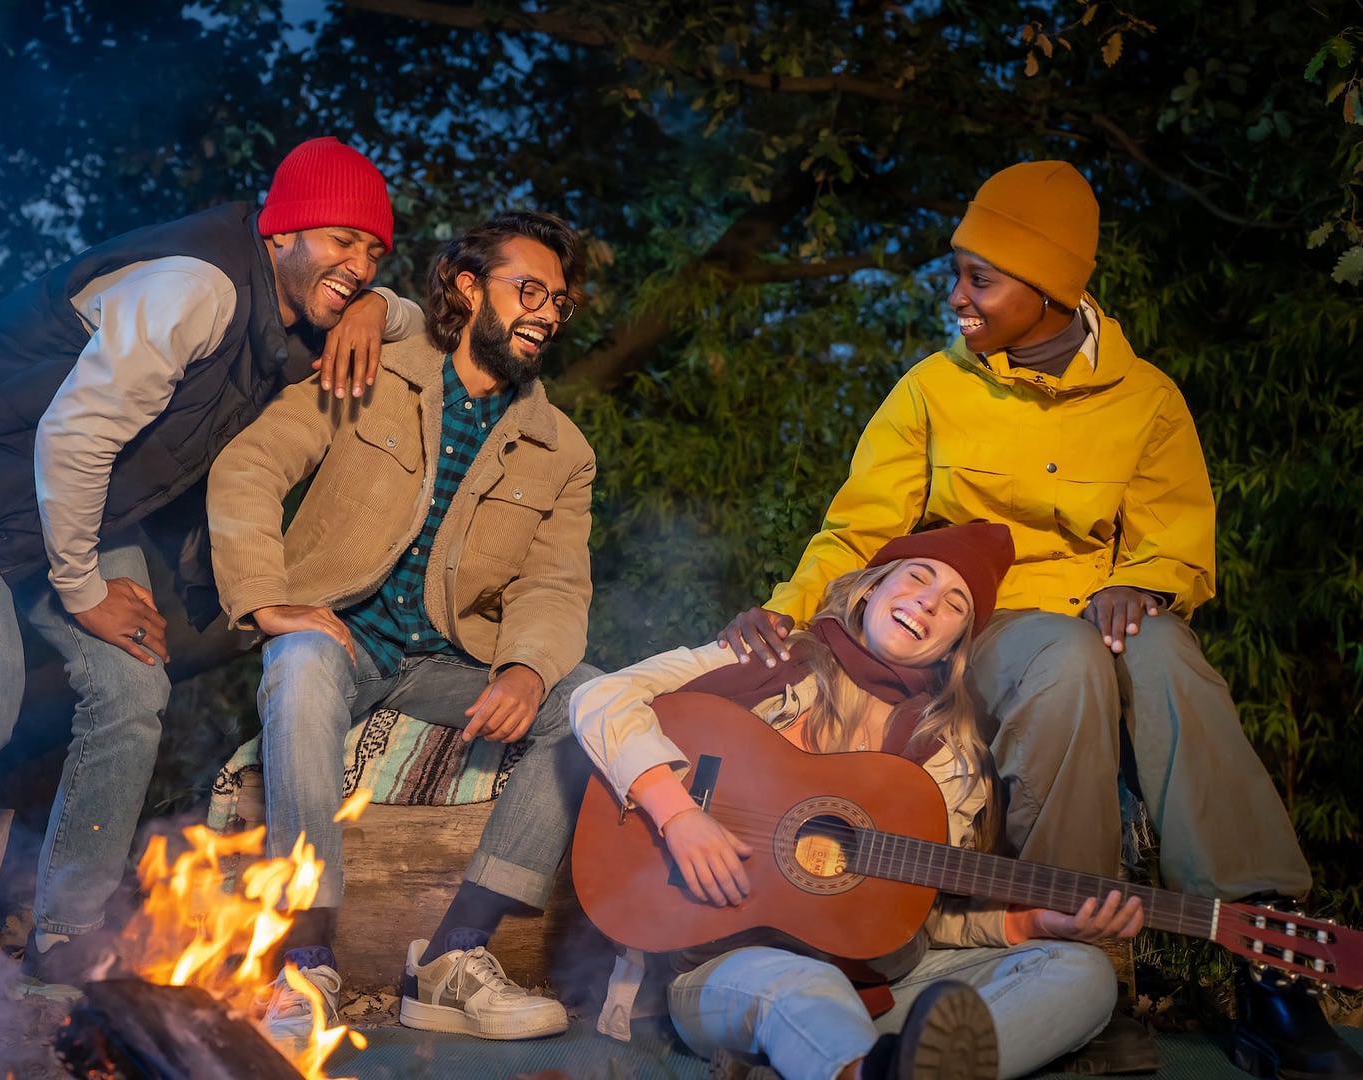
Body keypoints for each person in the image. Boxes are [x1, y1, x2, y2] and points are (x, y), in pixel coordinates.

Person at [0, 137, 424, 1051]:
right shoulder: (197, 288)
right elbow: (72, 438)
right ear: (285, 228)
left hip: (78, 511)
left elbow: (418, 320)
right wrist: (83, 590)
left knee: (133, 689)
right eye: (344, 241)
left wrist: (378, 306)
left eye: (376, 251)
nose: (359, 264)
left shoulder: (300, 307)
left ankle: (60, 949)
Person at [718, 160, 1363, 1078]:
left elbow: (1176, 540)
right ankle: (1078, 964)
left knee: (1167, 649)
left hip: (1091, 627)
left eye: (980, 277)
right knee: (1065, 657)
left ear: (1050, 289)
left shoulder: (1146, 401)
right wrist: (784, 616)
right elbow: (858, 529)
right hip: (969, 632)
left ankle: (1271, 964)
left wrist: (1143, 582)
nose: (957, 295)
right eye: (958, 271)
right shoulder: (933, 390)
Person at [207, 210, 600, 1044]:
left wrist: (528, 670)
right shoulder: (374, 363)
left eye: (557, 302)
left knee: (592, 701)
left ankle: (455, 957)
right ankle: (305, 962)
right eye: (527, 289)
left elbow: (555, 584)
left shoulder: (562, 450)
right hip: (340, 640)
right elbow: (250, 464)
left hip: (448, 662)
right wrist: (266, 597)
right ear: (467, 286)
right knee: (302, 657)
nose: (543, 313)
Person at [571, 523, 1142, 1080]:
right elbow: (601, 695)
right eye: (917, 577)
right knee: (801, 984)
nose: (926, 603)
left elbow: (917, 917)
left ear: (957, 646)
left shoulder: (951, 759)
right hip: (726, 967)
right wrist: (678, 813)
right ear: (870, 586)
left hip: (876, 982)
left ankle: (872, 1066)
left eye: (954, 605)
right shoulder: (771, 658)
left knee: (1081, 971)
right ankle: (859, 1062)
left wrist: (1026, 924)